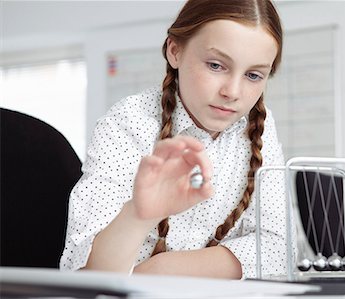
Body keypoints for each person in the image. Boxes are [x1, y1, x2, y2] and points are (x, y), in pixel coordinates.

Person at [60, 0, 289, 279]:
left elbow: (280, 249)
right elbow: (84, 274)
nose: (233, 91)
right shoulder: (127, 123)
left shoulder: (259, 128)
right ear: (175, 51)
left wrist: (161, 267)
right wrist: (138, 215)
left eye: (253, 75)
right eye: (216, 65)